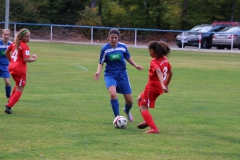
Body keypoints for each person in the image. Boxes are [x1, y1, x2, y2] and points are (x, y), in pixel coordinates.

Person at [94, 28, 143, 122]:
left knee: (129, 101)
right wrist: (98, 72)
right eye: (112, 37)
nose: (114, 39)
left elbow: (128, 57)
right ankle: (117, 117)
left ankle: (127, 111)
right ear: (108, 37)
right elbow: (101, 62)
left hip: (122, 74)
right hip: (110, 74)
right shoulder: (105, 48)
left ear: (118, 38)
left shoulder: (123, 46)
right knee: (113, 94)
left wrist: (136, 65)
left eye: (116, 37)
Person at [137, 41, 173, 134]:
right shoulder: (164, 59)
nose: (149, 53)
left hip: (152, 87)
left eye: (149, 51)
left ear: (152, 51)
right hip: (158, 87)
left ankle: (154, 128)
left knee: (143, 107)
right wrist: (165, 85)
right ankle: (147, 120)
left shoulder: (154, 61)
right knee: (139, 98)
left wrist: (162, 84)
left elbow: (158, 71)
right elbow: (170, 73)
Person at [4, 28, 37, 114]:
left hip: (12, 67)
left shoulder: (14, 43)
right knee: (20, 89)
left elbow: (7, 52)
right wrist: (34, 59)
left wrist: (11, 61)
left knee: (18, 85)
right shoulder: (24, 46)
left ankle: (9, 101)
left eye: (29, 37)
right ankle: (9, 106)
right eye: (26, 37)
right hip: (19, 70)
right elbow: (26, 59)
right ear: (21, 37)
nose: (28, 38)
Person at [0, 29, 12, 99]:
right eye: (5, 34)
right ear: (2, 35)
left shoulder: (11, 44)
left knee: (7, 82)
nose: (6, 36)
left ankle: (8, 96)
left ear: (10, 36)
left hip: (6, 66)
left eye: (7, 35)